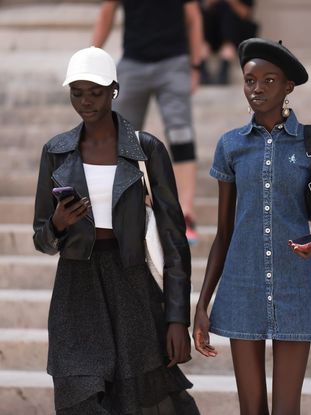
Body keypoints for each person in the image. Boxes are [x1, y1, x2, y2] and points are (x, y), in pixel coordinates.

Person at [193, 38, 311, 414]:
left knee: (287, 409)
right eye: (250, 80)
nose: (257, 89)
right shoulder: (231, 145)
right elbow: (224, 234)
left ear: (288, 86)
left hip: (295, 286)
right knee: (251, 409)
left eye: (269, 80)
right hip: (241, 286)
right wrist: (202, 303)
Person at [33, 46, 200, 415]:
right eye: (77, 92)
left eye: (95, 92)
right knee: (78, 395)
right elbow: (41, 239)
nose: (86, 101)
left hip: (132, 286)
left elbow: (174, 242)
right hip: (75, 291)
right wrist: (58, 224)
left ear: (114, 90)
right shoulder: (56, 152)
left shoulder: (147, 150)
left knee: (145, 399)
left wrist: (177, 318)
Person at [92, 0, 204, 244]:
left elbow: (193, 17)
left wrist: (196, 65)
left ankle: (185, 212)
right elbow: (107, 11)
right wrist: (91, 58)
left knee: (181, 135)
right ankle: (120, 207)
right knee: (118, 136)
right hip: (133, 63)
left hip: (174, 63)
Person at [199, 0, 258, 85]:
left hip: (234, 33)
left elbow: (245, 13)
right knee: (203, 16)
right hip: (211, 34)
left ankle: (226, 54)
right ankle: (204, 54)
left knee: (227, 11)